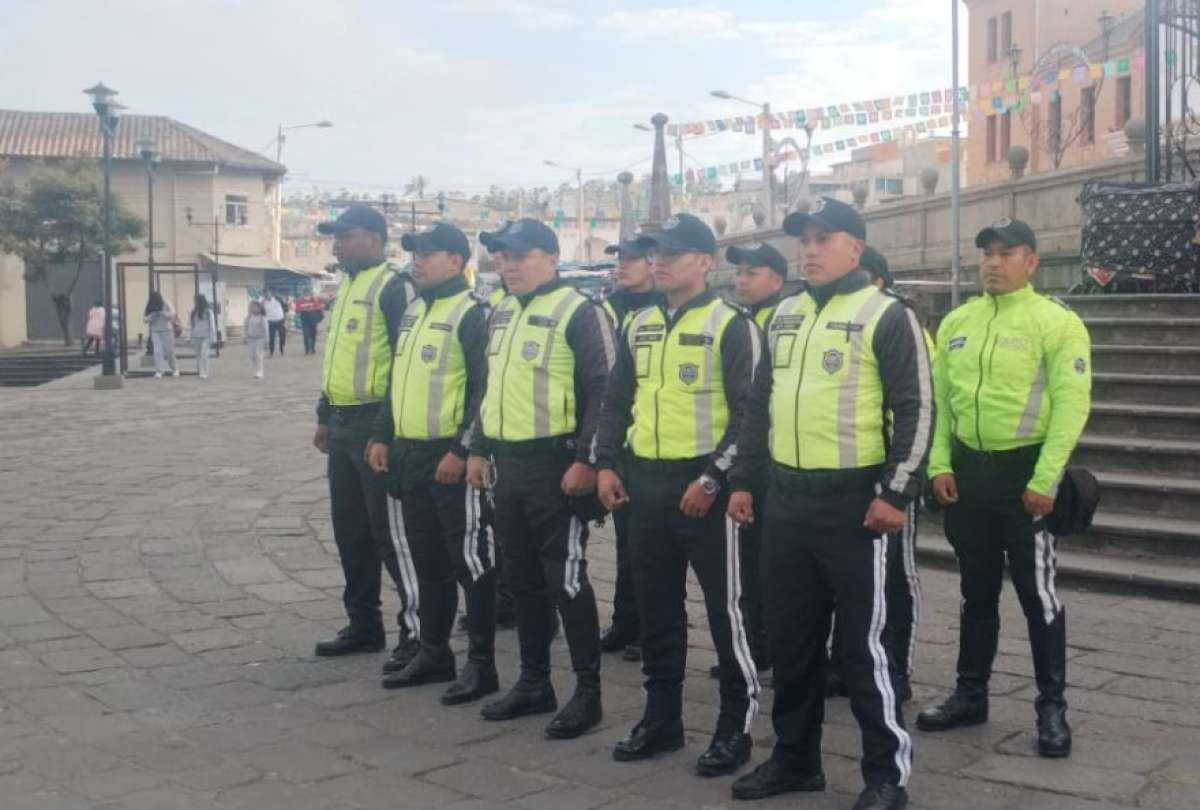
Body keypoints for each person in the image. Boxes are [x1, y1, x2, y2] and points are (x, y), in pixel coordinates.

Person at [727, 197, 932, 810]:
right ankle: (794, 759)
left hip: (854, 506)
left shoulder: (887, 315)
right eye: (804, 239)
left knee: (863, 648)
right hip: (785, 501)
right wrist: (743, 479)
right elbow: (756, 407)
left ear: (856, 248)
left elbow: (916, 409)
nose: (809, 250)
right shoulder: (782, 315)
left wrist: (896, 491)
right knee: (791, 639)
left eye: (824, 238)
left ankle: (885, 775)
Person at [594, 213, 762, 778]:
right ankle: (661, 718)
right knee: (658, 610)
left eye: (671, 251)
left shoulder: (732, 324)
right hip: (646, 482)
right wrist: (607, 462)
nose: (659, 260)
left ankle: (735, 727)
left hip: (705, 490)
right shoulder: (638, 323)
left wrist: (713, 478)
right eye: (653, 251)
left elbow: (749, 414)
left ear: (705, 261)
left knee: (726, 612)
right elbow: (617, 399)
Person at [917, 218, 1091, 760]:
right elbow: (943, 402)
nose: (992, 263)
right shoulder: (958, 322)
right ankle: (971, 694)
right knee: (976, 591)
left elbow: (1071, 405)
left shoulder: (1056, 323)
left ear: (1031, 261)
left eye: (1005, 253)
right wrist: (939, 464)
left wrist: (1046, 479)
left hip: (1025, 478)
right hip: (969, 476)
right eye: (986, 254)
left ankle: (1051, 707)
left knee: (1037, 596)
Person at [466, 217, 614, 740]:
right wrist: (479, 448)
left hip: (559, 467)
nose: (507, 266)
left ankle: (588, 692)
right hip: (511, 466)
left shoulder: (580, 311)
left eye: (519, 256)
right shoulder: (501, 313)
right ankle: (534, 682)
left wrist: (587, 459)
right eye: (502, 257)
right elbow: (489, 387)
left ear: (551, 257)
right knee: (522, 579)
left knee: (566, 579)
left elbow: (605, 390)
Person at [365, 223, 500, 705]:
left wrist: (462, 451)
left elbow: (486, 391)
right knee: (427, 562)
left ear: (456, 260)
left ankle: (482, 663)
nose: (417, 261)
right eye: (415, 254)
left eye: (428, 253)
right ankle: (435, 651)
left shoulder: (473, 314)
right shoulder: (415, 311)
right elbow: (396, 379)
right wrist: (383, 433)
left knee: (471, 561)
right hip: (411, 455)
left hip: (452, 459)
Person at [312, 206, 421, 672]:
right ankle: (363, 623)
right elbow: (337, 360)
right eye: (335, 237)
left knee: (391, 536)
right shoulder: (346, 287)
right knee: (350, 531)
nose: (338, 244)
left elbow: (405, 364)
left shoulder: (394, 287)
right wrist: (323, 415)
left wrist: (384, 431)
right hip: (341, 426)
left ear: (376, 239)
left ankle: (418, 631)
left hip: (376, 428)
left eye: (348, 235)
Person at [824, 246, 925, 703]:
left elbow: (919, 408)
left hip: (889, 473)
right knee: (847, 581)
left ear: (878, 282)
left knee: (894, 579)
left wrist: (900, 483)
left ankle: (896, 666)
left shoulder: (899, 326)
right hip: (847, 468)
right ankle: (844, 661)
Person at [709, 238, 791, 681]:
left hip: (777, 463)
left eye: (751, 273)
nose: (741, 280)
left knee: (775, 567)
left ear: (776, 280)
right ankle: (753, 647)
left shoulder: (785, 320)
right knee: (746, 564)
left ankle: (778, 648)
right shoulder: (736, 322)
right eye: (738, 272)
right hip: (743, 461)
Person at [597, 237, 661, 665]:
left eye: (632, 259)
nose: (623, 266)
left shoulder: (662, 308)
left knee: (656, 551)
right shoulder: (608, 307)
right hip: (619, 437)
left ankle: (650, 627)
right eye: (620, 259)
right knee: (627, 543)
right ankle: (625, 620)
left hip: (658, 442)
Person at [144, 291, 179, 379]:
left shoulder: (166, 303)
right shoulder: (150, 305)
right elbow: (145, 319)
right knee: (157, 352)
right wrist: (152, 315)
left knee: (169, 351)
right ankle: (159, 371)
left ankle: (175, 369)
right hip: (155, 331)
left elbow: (173, 315)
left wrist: (163, 313)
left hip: (167, 331)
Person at [190, 294, 216, 380]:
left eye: (196, 301)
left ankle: (204, 372)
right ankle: (200, 371)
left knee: (204, 354)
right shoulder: (193, 312)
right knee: (198, 355)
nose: (195, 303)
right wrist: (189, 336)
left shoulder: (208, 312)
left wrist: (213, 337)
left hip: (206, 336)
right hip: (196, 336)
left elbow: (212, 325)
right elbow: (191, 325)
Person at [244, 300, 269, 379]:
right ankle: (257, 369)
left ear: (259, 308)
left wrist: (267, 341)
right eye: (252, 307)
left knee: (258, 354)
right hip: (251, 339)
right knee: (252, 356)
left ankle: (260, 371)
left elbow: (266, 330)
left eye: (255, 307)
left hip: (260, 339)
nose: (253, 308)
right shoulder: (248, 317)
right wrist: (245, 337)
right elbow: (245, 327)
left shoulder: (262, 318)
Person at [296, 289, 325, 354]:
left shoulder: (314, 300)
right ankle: (306, 348)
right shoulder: (300, 301)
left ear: (310, 294)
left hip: (313, 320)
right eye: (305, 294)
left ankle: (313, 348)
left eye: (308, 294)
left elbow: (318, 308)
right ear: (303, 294)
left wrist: (312, 309)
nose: (307, 295)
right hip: (305, 320)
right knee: (306, 335)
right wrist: (303, 309)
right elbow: (297, 310)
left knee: (313, 335)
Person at [263, 290, 287, 357]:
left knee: (282, 335)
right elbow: (262, 312)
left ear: (270, 293)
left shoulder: (278, 298)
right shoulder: (263, 302)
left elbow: (285, 306)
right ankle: (271, 352)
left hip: (280, 320)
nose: (267, 296)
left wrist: (283, 315)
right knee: (271, 337)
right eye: (265, 295)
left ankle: (282, 348)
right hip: (271, 322)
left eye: (268, 294)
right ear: (263, 295)